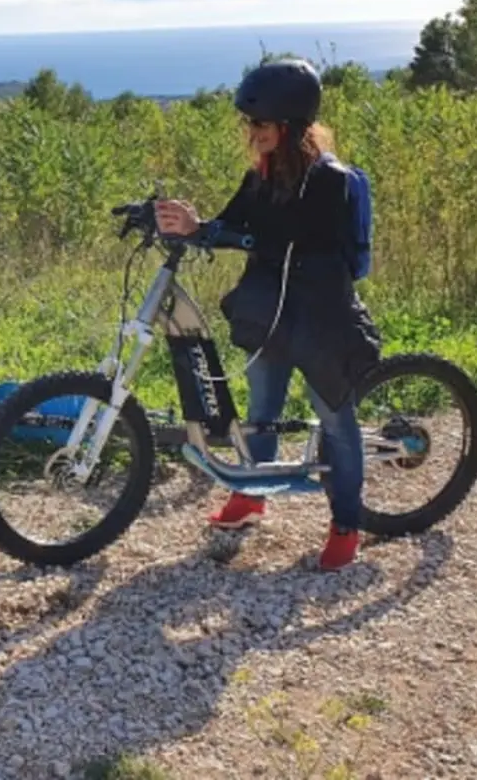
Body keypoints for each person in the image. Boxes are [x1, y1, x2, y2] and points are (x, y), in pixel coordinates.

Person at [154, 58, 381, 571]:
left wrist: (219, 232)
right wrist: (188, 226)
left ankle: (347, 524)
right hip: (269, 312)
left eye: (259, 124)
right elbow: (231, 225)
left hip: (321, 319)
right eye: (248, 124)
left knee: (336, 423)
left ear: (289, 125)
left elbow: (288, 240)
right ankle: (252, 494)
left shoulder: (330, 180)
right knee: (261, 411)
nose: (250, 133)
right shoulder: (260, 175)